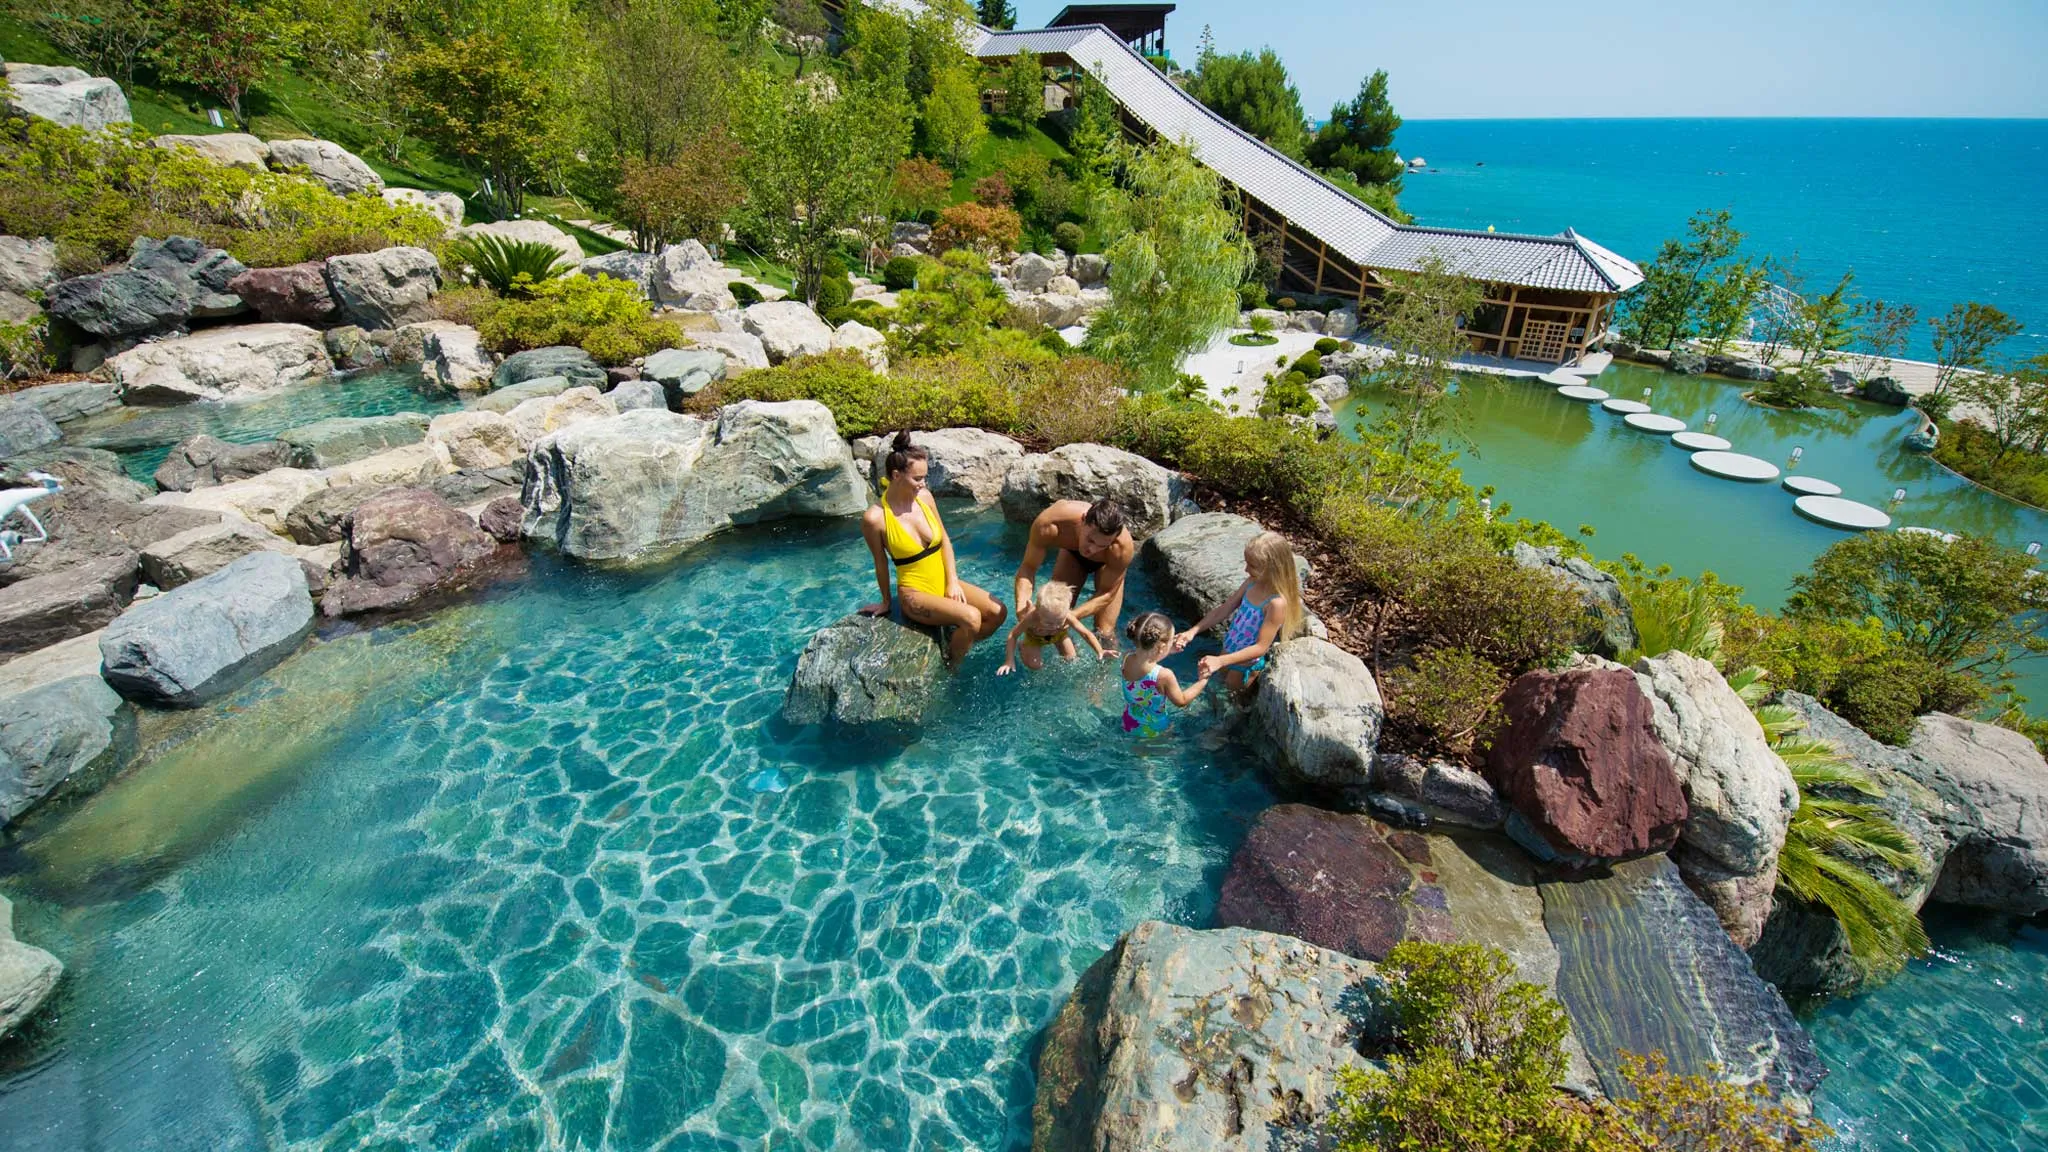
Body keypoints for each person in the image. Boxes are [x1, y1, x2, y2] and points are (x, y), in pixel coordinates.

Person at [860, 431, 1007, 668]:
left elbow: (945, 541)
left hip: (943, 582)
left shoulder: (925, 498)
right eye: (918, 478)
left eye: (925, 478)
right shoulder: (875, 518)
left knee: (998, 611)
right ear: (896, 475)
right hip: (914, 594)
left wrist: (953, 582)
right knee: (971, 617)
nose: (923, 484)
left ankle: (957, 642)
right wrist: (886, 602)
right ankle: (952, 668)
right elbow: (880, 562)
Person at [1174, 531, 1305, 699]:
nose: (1245, 569)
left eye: (1252, 566)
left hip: (1245, 664)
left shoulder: (1276, 603)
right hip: (1229, 649)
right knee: (1216, 691)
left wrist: (1221, 661)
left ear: (1273, 569)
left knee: (1230, 700)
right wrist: (1192, 631)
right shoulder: (1251, 583)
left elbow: (1260, 648)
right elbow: (1225, 609)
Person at [1013, 498, 1135, 652]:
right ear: (1083, 520)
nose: (1092, 550)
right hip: (1072, 556)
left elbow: (1107, 593)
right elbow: (1028, 568)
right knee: (1051, 613)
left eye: (1102, 545)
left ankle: (1104, 672)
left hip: (1106, 566)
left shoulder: (1121, 548)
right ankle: (1064, 657)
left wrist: (1071, 616)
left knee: (1104, 632)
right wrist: (1022, 608)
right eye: (1090, 540)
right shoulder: (1051, 523)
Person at [1121, 612, 1210, 736]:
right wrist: (1203, 681)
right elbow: (1181, 701)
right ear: (1161, 647)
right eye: (1170, 642)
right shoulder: (1164, 675)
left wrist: (1168, 650)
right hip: (1154, 728)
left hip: (1129, 720)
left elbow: (1146, 660)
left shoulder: (1127, 657)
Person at [996, 581, 1110, 675]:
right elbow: (1013, 635)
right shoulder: (1032, 618)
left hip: (1059, 636)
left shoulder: (1066, 616)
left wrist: (1100, 650)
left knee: (1072, 659)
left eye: (1059, 621)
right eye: (1049, 623)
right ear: (1039, 612)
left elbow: (1085, 633)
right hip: (1035, 638)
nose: (1055, 626)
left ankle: (1061, 640)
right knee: (1035, 666)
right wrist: (1009, 660)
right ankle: (1023, 646)